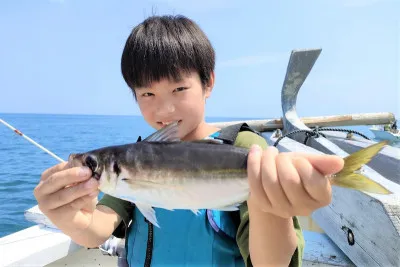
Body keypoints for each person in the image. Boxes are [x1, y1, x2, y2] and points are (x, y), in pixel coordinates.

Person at [34, 15, 344, 266]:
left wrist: (272, 205)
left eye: (179, 89)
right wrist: (70, 216)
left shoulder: (246, 148)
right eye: (147, 94)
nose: (164, 109)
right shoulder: (136, 157)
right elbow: (95, 229)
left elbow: (271, 264)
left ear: (208, 82)